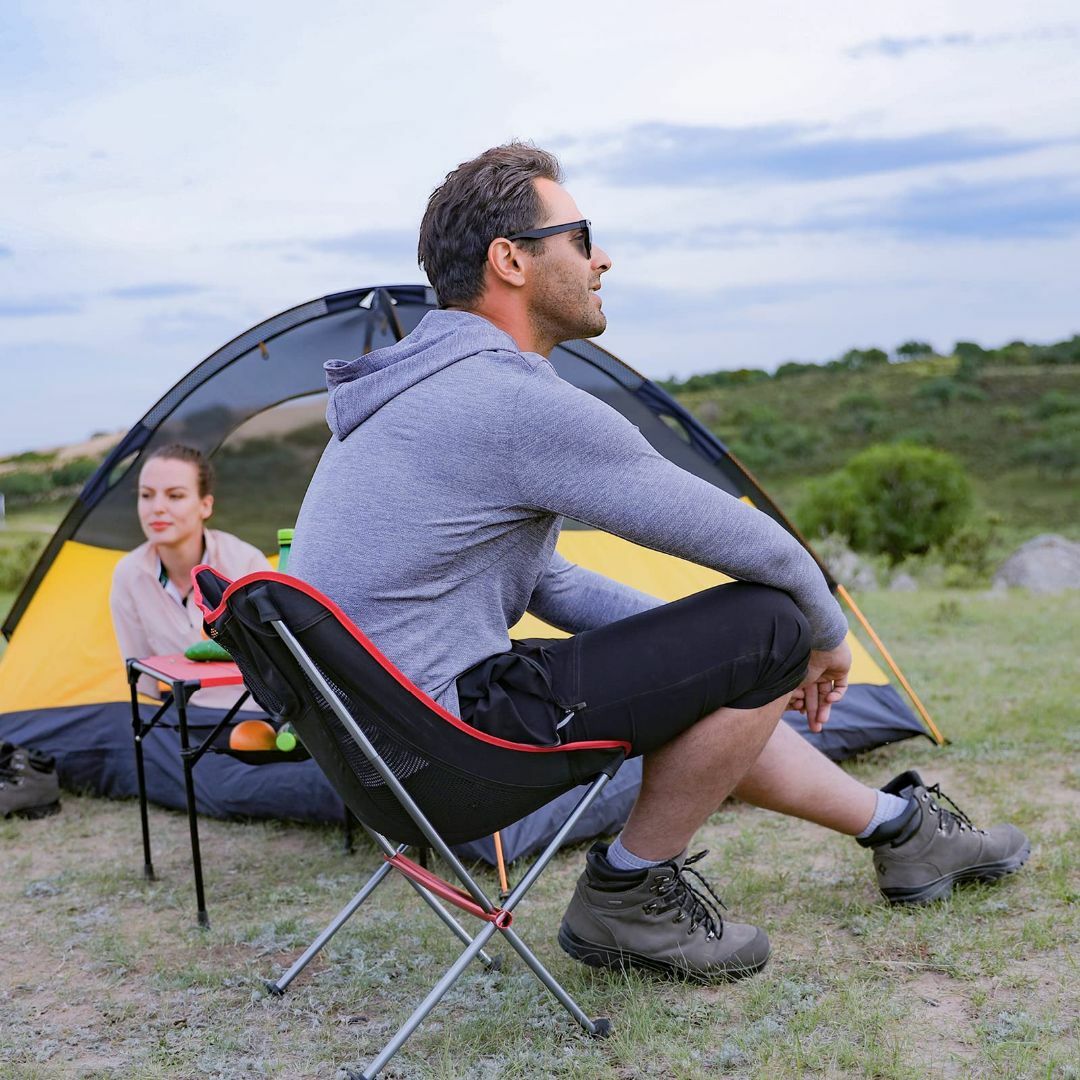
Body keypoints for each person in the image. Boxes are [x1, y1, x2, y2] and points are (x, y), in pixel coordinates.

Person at [289, 144, 1030, 980]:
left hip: (382, 754)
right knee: (773, 620)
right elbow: (747, 540)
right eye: (581, 236)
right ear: (511, 261)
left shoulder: (420, 393)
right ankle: (630, 894)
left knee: (733, 654)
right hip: (452, 748)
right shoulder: (506, 400)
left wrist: (695, 661)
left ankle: (899, 831)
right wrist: (825, 637)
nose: (603, 257)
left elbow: (545, 580)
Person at [110, 443, 269, 710]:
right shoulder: (129, 576)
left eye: (175, 496)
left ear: (205, 506)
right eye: (146, 495)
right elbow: (142, 683)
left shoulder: (246, 563)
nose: (157, 508)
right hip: (184, 723)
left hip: (260, 717)